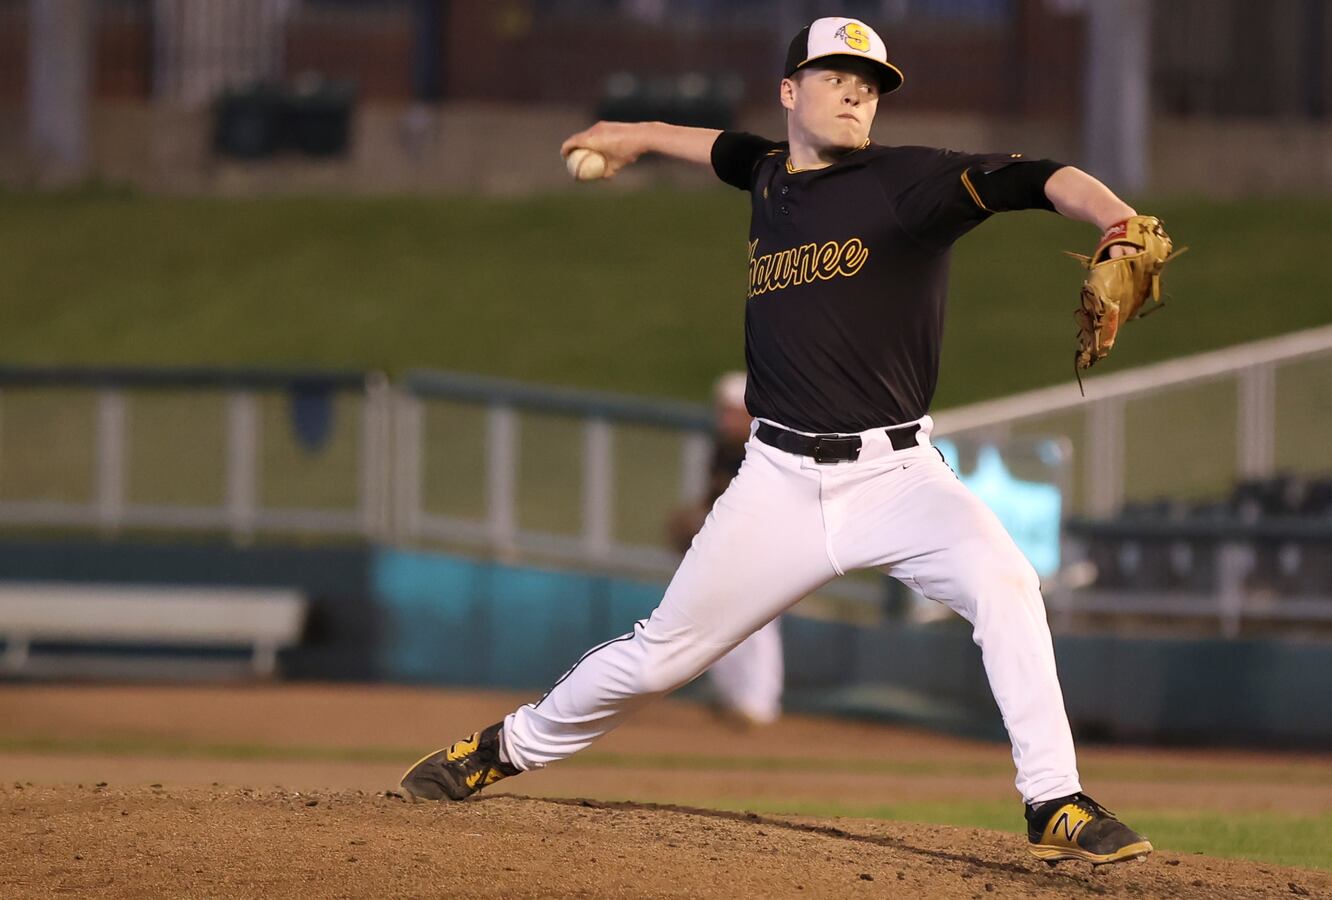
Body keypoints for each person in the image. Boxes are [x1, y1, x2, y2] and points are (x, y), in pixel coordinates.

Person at [401, 16, 1155, 867]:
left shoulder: (912, 182)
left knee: (1007, 582)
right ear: (792, 91)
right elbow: (721, 148)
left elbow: (1041, 177)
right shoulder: (769, 175)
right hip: (778, 481)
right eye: (837, 77)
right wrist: (631, 136)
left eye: (869, 86)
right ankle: (506, 748)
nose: (857, 95)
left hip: (899, 475)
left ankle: (1053, 797)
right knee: (659, 658)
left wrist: (1116, 217)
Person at [667, 371, 784, 728]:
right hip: (732, 545)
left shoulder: (768, 445)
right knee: (713, 613)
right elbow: (716, 497)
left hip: (768, 543)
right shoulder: (723, 448)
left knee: (759, 621)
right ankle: (736, 699)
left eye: (732, 411)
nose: (725, 418)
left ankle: (760, 703)